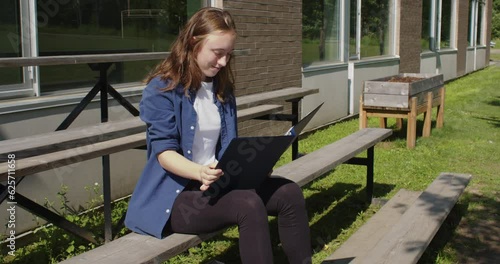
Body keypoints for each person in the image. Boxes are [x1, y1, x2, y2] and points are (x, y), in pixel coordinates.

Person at [125, 7, 312, 264]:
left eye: (228, 54)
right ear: (194, 43)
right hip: (178, 197)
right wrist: (200, 172)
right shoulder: (161, 89)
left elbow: (228, 146)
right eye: (218, 53)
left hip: (218, 184)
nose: (223, 62)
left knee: (289, 192)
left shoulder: (222, 88)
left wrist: (254, 168)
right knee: (247, 204)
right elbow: (164, 154)